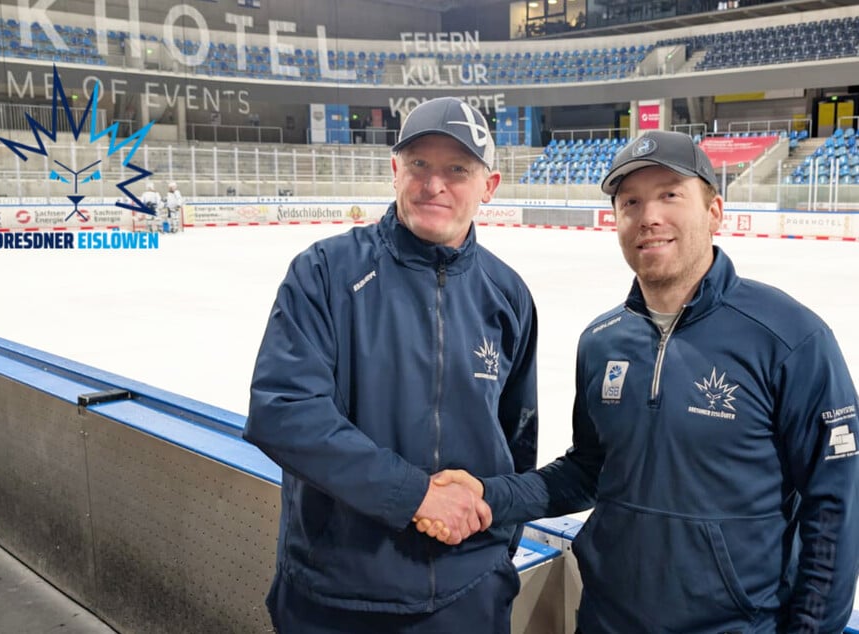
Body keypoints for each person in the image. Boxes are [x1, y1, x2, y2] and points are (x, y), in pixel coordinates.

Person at [423, 130, 859, 633]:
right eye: (630, 202)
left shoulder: (789, 338)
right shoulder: (602, 341)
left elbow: (834, 508)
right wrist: (487, 494)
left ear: (715, 211)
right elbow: (589, 470)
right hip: (608, 619)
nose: (648, 216)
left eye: (670, 195)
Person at [243, 97, 539, 633]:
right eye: (420, 165)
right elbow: (283, 412)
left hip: (468, 594)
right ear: (394, 170)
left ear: (488, 187)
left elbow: (518, 437)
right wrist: (417, 495)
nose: (434, 185)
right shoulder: (325, 272)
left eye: (457, 170)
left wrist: (492, 547)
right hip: (336, 598)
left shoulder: (507, 293)